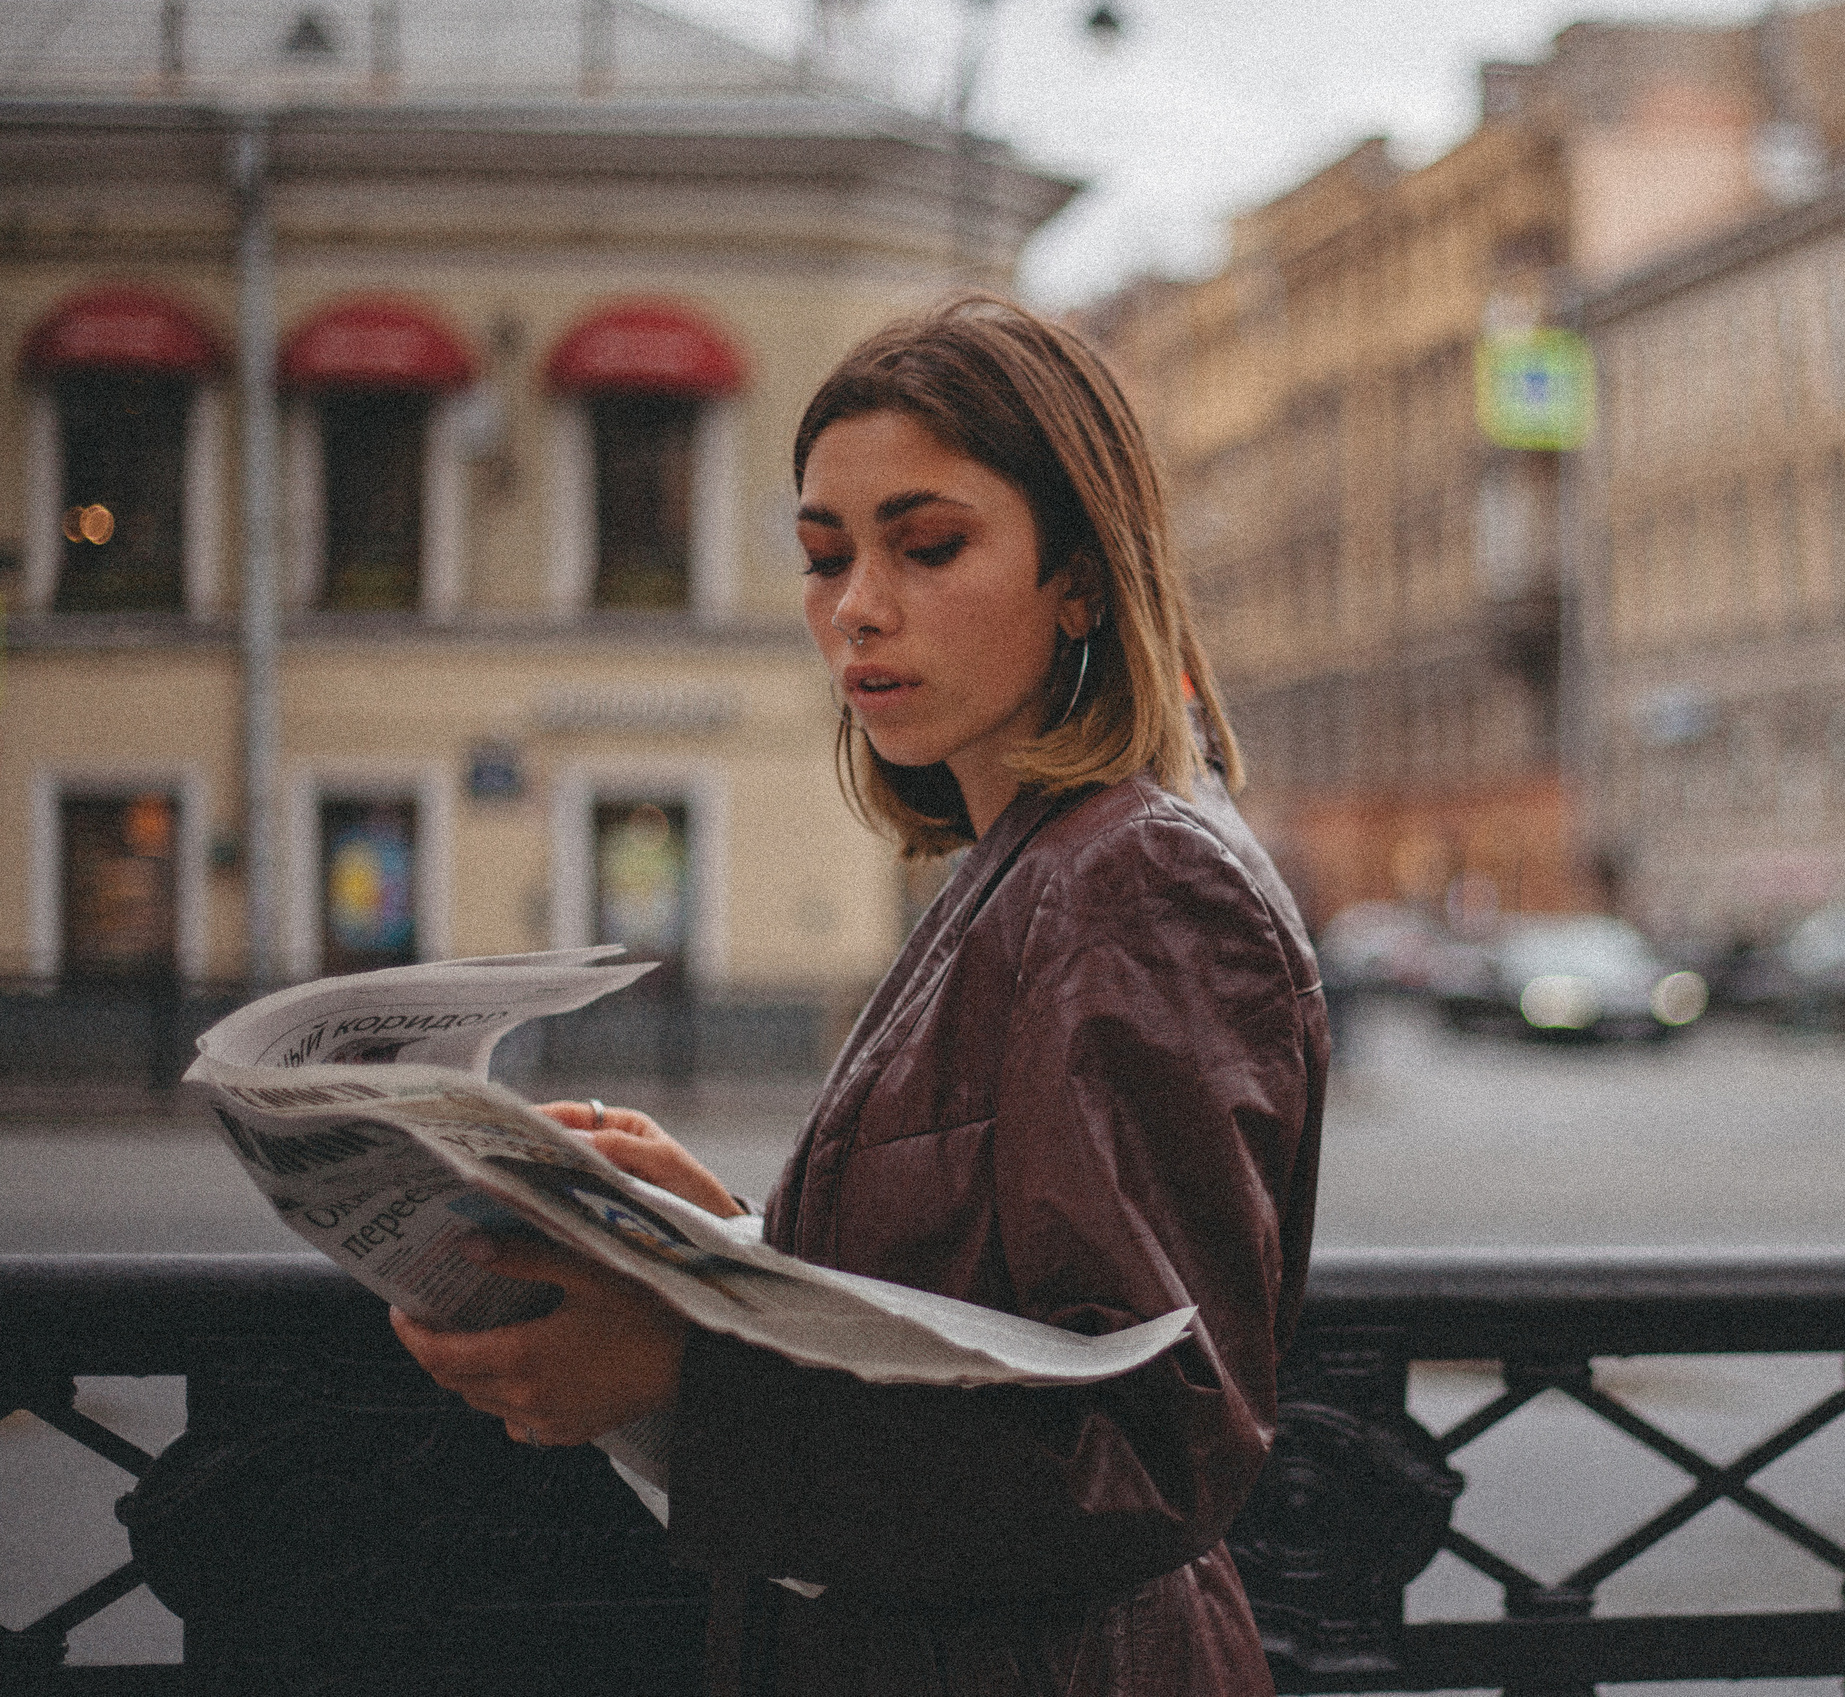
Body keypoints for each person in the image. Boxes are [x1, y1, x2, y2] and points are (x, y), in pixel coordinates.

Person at [392, 295, 1328, 1697]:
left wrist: (681, 1385)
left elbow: (1147, 1447)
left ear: (1080, 575)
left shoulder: (1134, 887)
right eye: (825, 557)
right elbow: (987, 1302)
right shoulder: (1019, 869)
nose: (858, 607)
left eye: (929, 544)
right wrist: (735, 1246)